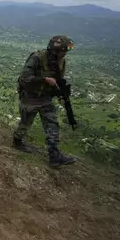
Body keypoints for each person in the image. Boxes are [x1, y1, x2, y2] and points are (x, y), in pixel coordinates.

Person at [13, 35, 77, 168]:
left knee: (52, 125)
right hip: (30, 97)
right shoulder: (37, 58)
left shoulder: (61, 62)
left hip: (46, 99)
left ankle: (54, 156)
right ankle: (17, 142)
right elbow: (25, 77)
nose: (65, 54)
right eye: (63, 51)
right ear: (55, 50)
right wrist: (45, 79)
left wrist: (61, 95)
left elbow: (58, 80)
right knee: (25, 124)